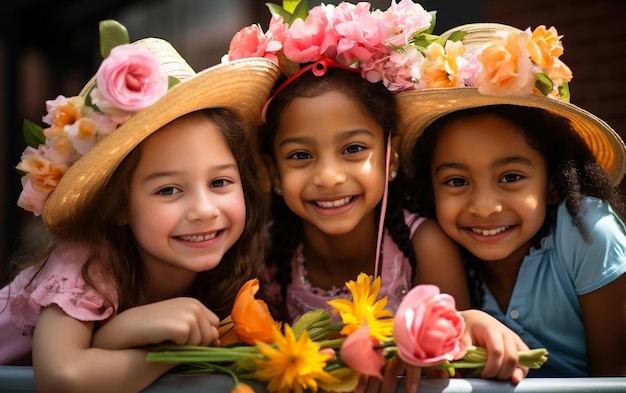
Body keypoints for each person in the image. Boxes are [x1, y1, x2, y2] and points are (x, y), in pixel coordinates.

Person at [224, 1, 530, 388]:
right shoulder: (264, 250)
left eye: (353, 149)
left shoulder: (423, 245)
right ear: (273, 172)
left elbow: (455, 364)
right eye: (300, 155)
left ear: (391, 157)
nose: (330, 177)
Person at [0, 20, 280, 393]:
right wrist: (169, 350)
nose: (203, 209)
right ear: (118, 207)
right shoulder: (86, 263)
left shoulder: (242, 258)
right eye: (168, 190)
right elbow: (62, 376)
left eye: (219, 182)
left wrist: (117, 337)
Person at [397, 22, 626, 377]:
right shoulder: (435, 247)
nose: (485, 206)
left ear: (551, 183)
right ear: (431, 188)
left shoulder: (591, 234)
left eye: (511, 177)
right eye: (456, 181)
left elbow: (615, 379)